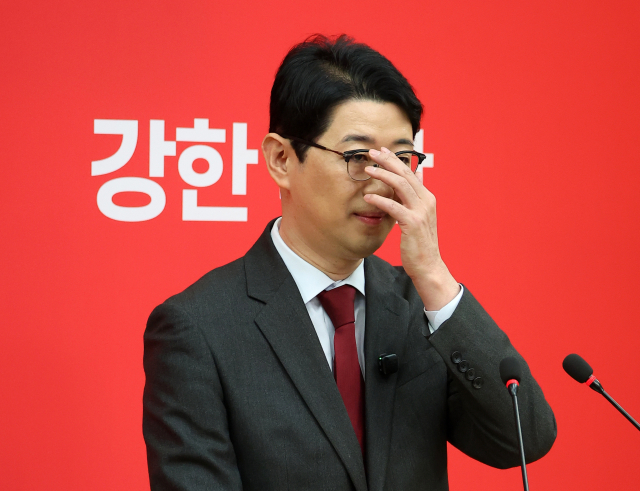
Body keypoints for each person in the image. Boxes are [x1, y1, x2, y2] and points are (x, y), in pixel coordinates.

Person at [143, 34, 556, 491]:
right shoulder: (199, 327)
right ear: (281, 159)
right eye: (358, 157)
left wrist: (434, 276)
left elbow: (523, 439)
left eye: (401, 159)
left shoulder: (422, 307)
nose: (382, 184)